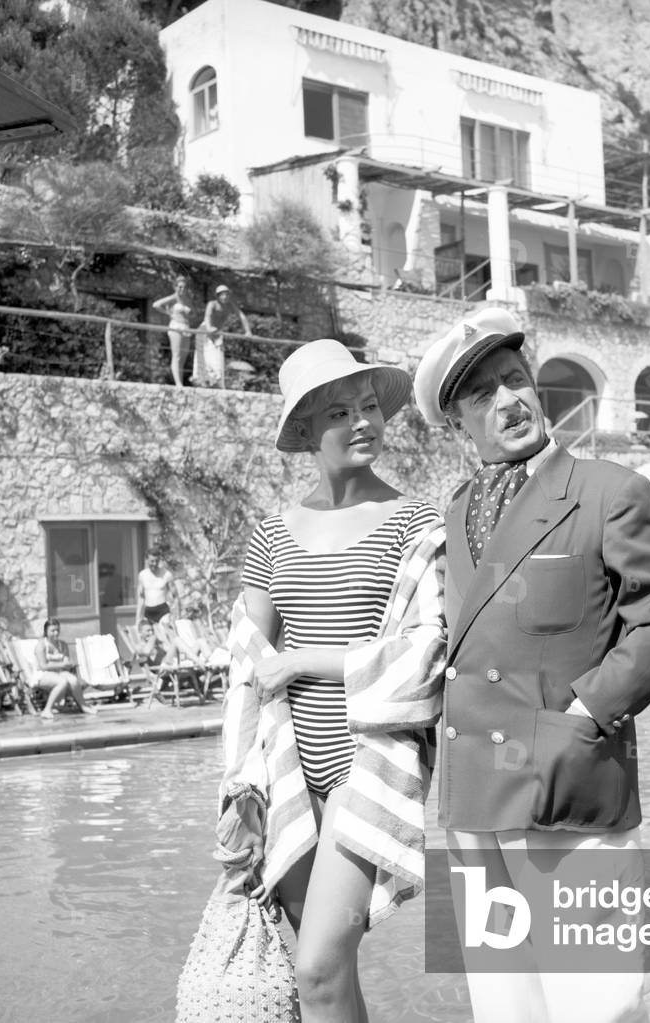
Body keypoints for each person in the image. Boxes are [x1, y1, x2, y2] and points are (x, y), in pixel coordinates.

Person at [413, 308, 650, 1023]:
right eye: (482, 395)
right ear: (456, 424)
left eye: (516, 380)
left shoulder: (610, 490)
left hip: (567, 791)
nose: (508, 400)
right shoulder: (454, 512)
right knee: (505, 1009)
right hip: (475, 802)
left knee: (596, 1005)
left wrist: (583, 714)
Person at [233, 338, 444, 1022]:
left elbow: (425, 653)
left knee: (317, 968)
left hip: (370, 764)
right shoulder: (271, 534)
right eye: (339, 412)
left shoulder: (415, 523)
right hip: (290, 772)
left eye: (369, 406)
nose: (363, 422)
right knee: (333, 973)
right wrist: (238, 796)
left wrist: (303, 660)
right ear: (305, 430)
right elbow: (247, 668)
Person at [34, 619, 96, 718]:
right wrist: (61, 665)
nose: (56, 633)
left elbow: (66, 662)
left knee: (74, 680)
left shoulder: (62, 645)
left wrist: (62, 665)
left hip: (60, 672)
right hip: (43, 674)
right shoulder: (41, 646)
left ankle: (83, 706)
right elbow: (43, 666)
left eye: (58, 630)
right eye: (53, 631)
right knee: (62, 682)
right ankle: (47, 709)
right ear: (46, 631)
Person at [194, 284, 250, 387]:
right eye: (222, 295)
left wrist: (248, 331)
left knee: (217, 360)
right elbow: (207, 316)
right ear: (218, 296)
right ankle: (204, 383)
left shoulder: (230, 305)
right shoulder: (212, 304)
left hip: (217, 333)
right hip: (205, 331)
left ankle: (218, 384)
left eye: (226, 294)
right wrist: (209, 328)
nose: (224, 297)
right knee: (204, 360)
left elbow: (241, 316)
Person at [152, 274, 196, 388]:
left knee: (183, 357)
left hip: (186, 327)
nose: (182, 289)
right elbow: (156, 305)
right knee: (176, 355)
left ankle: (179, 382)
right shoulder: (173, 298)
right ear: (175, 287)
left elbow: (194, 313)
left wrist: (190, 314)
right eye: (180, 287)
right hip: (176, 326)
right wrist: (169, 313)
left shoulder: (188, 300)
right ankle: (178, 383)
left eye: (184, 287)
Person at [136, 551, 180, 626]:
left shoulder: (167, 574)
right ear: (146, 560)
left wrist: (177, 616)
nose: (155, 563)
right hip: (148, 611)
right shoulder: (142, 575)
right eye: (152, 561)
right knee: (150, 635)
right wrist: (138, 619)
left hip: (162, 610)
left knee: (165, 633)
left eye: (157, 561)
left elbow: (175, 597)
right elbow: (141, 599)